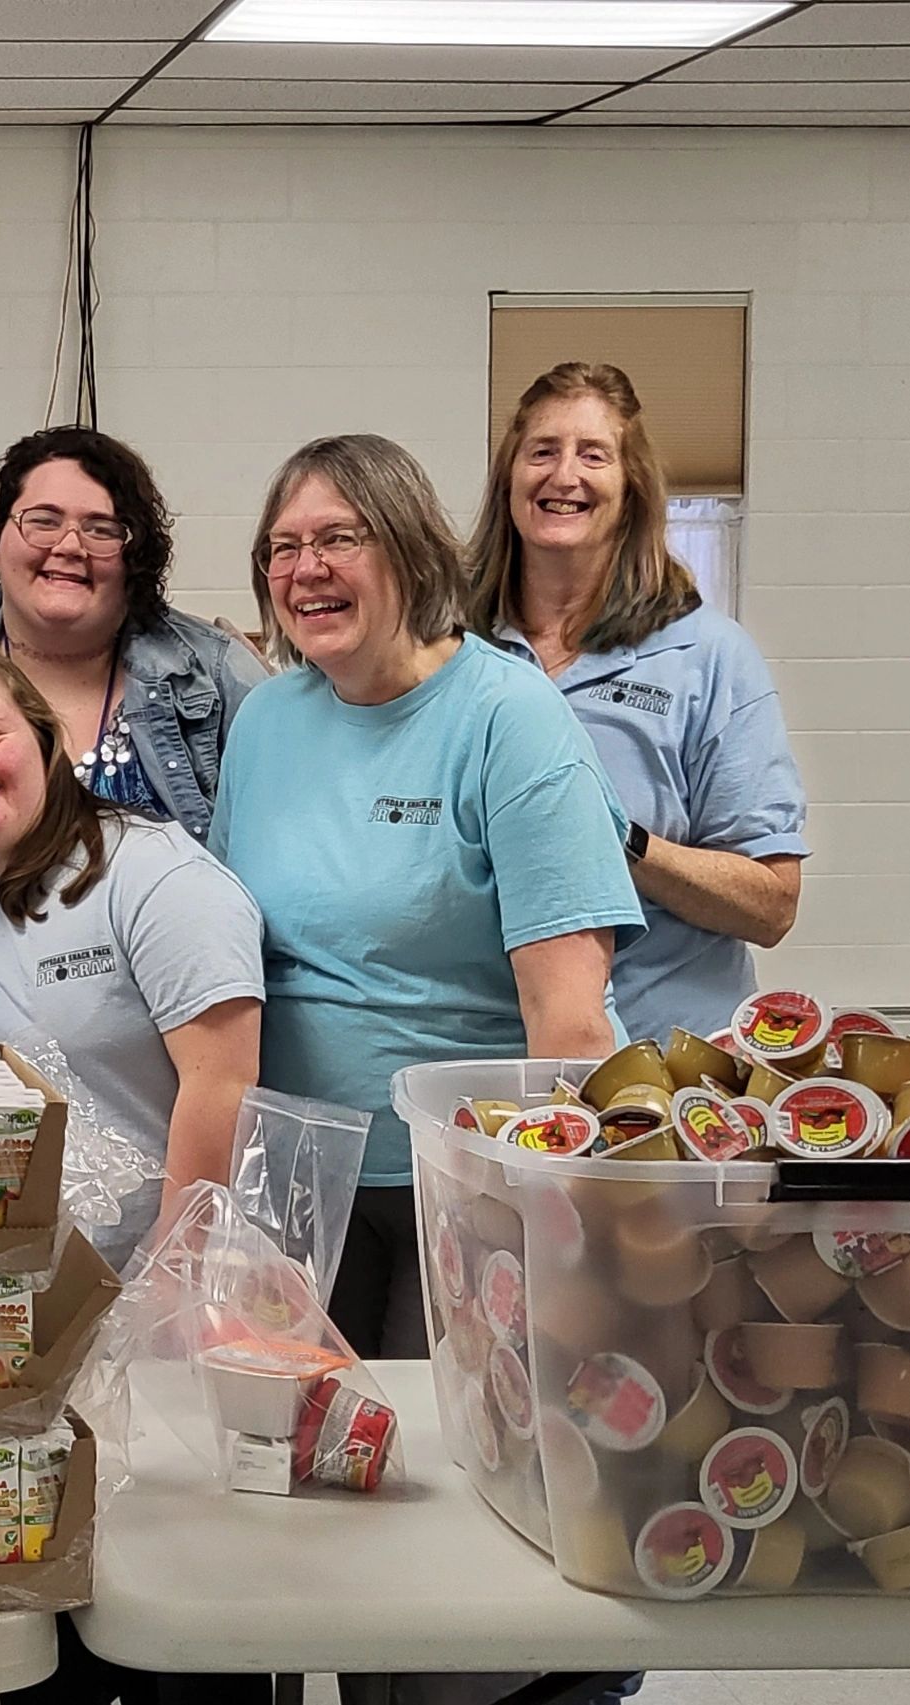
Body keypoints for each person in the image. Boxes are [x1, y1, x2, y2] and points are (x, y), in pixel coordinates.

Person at [210, 435, 643, 1360]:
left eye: (338, 538)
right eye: (281, 547)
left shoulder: (507, 718)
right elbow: (225, 949)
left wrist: (565, 1224)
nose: (305, 569)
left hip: (459, 1175)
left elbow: (568, 1021)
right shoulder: (265, 721)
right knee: (293, 1453)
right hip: (295, 1173)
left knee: (447, 1455)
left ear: (409, 548)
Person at [0, 646, 263, 1270]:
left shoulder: (156, 875)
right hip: (30, 1294)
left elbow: (223, 1087)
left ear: (45, 740)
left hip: (162, 1280)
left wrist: (176, 1278)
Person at [469, 361, 806, 1042]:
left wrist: (620, 843)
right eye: (542, 450)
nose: (563, 475)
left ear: (631, 489)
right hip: (489, 1061)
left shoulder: (708, 657)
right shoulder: (450, 649)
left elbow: (770, 905)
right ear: (509, 476)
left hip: (669, 1070)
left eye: (592, 454)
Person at [0, 426, 266, 842]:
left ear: (135, 554)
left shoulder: (215, 675)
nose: (69, 546)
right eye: (44, 521)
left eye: (101, 528)